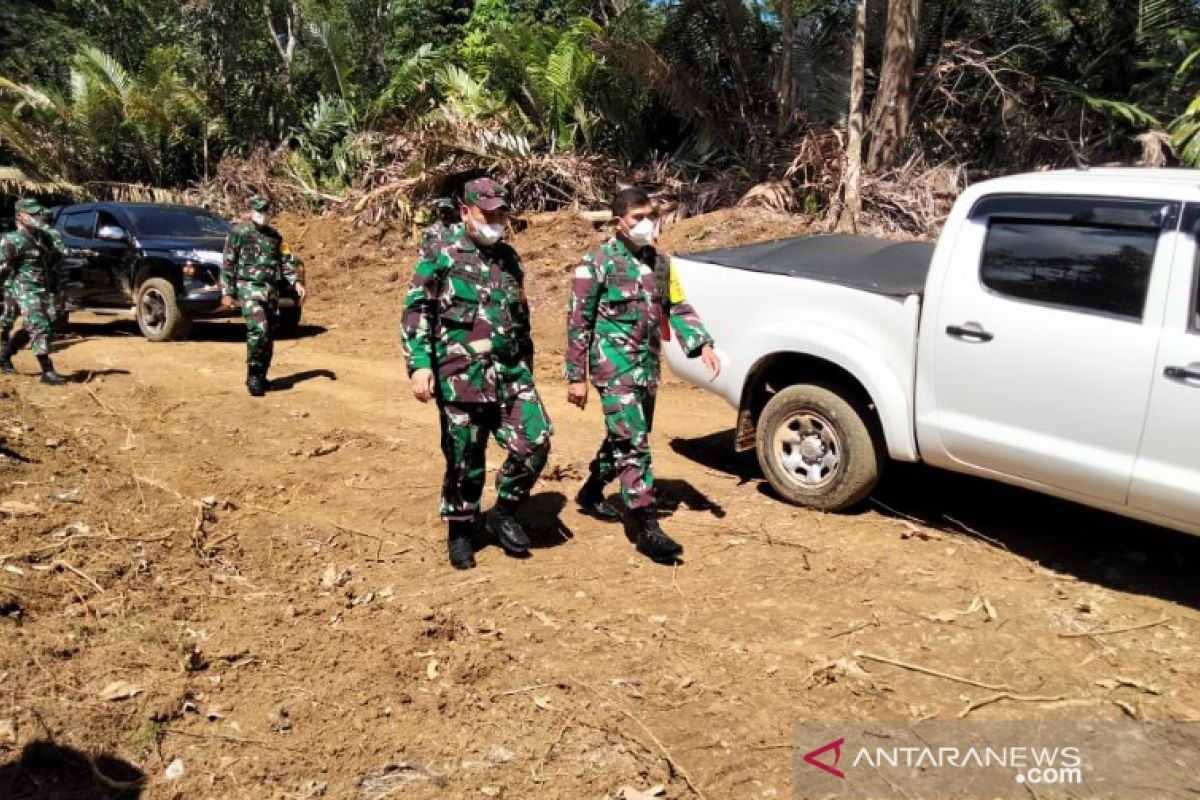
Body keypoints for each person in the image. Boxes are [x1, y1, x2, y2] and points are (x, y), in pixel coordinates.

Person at [400, 177, 552, 570]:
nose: (496, 221)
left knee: (535, 441)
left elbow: (521, 319)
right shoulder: (441, 254)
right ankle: (461, 527)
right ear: (465, 212)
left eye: (500, 213)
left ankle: (503, 512)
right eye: (487, 214)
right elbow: (418, 311)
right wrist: (419, 364)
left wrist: (528, 369)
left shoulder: (510, 259)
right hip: (460, 374)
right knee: (465, 457)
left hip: (511, 373)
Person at [565, 187, 721, 563]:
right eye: (638, 217)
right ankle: (646, 524)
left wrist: (701, 345)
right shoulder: (597, 262)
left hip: (646, 367)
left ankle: (590, 491)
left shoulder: (661, 262)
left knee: (626, 435)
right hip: (612, 365)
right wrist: (576, 375)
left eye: (650, 214)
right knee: (634, 442)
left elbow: (677, 305)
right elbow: (578, 322)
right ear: (619, 222)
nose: (647, 222)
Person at [219, 194, 307, 396]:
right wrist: (227, 292)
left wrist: (297, 283)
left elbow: (286, 262)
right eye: (259, 211)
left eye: (266, 212)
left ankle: (261, 375)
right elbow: (228, 263)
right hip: (249, 289)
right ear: (251, 212)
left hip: (270, 292)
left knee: (268, 336)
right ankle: (253, 377)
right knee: (259, 330)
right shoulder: (239, 233)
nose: (263, 216)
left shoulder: (275, 237)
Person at [0, 199, 86, 384]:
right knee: (37, 325)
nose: (37, 217)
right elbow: (3, 268)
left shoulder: (44, 237)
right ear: (20, 216)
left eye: (37, 213)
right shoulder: (12, 240)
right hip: (22, 289)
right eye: (32, 214)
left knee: (51, 322)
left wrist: (81, 253)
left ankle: (6, 353)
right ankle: (47, 371)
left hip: (43, 288)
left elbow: (59, 252)